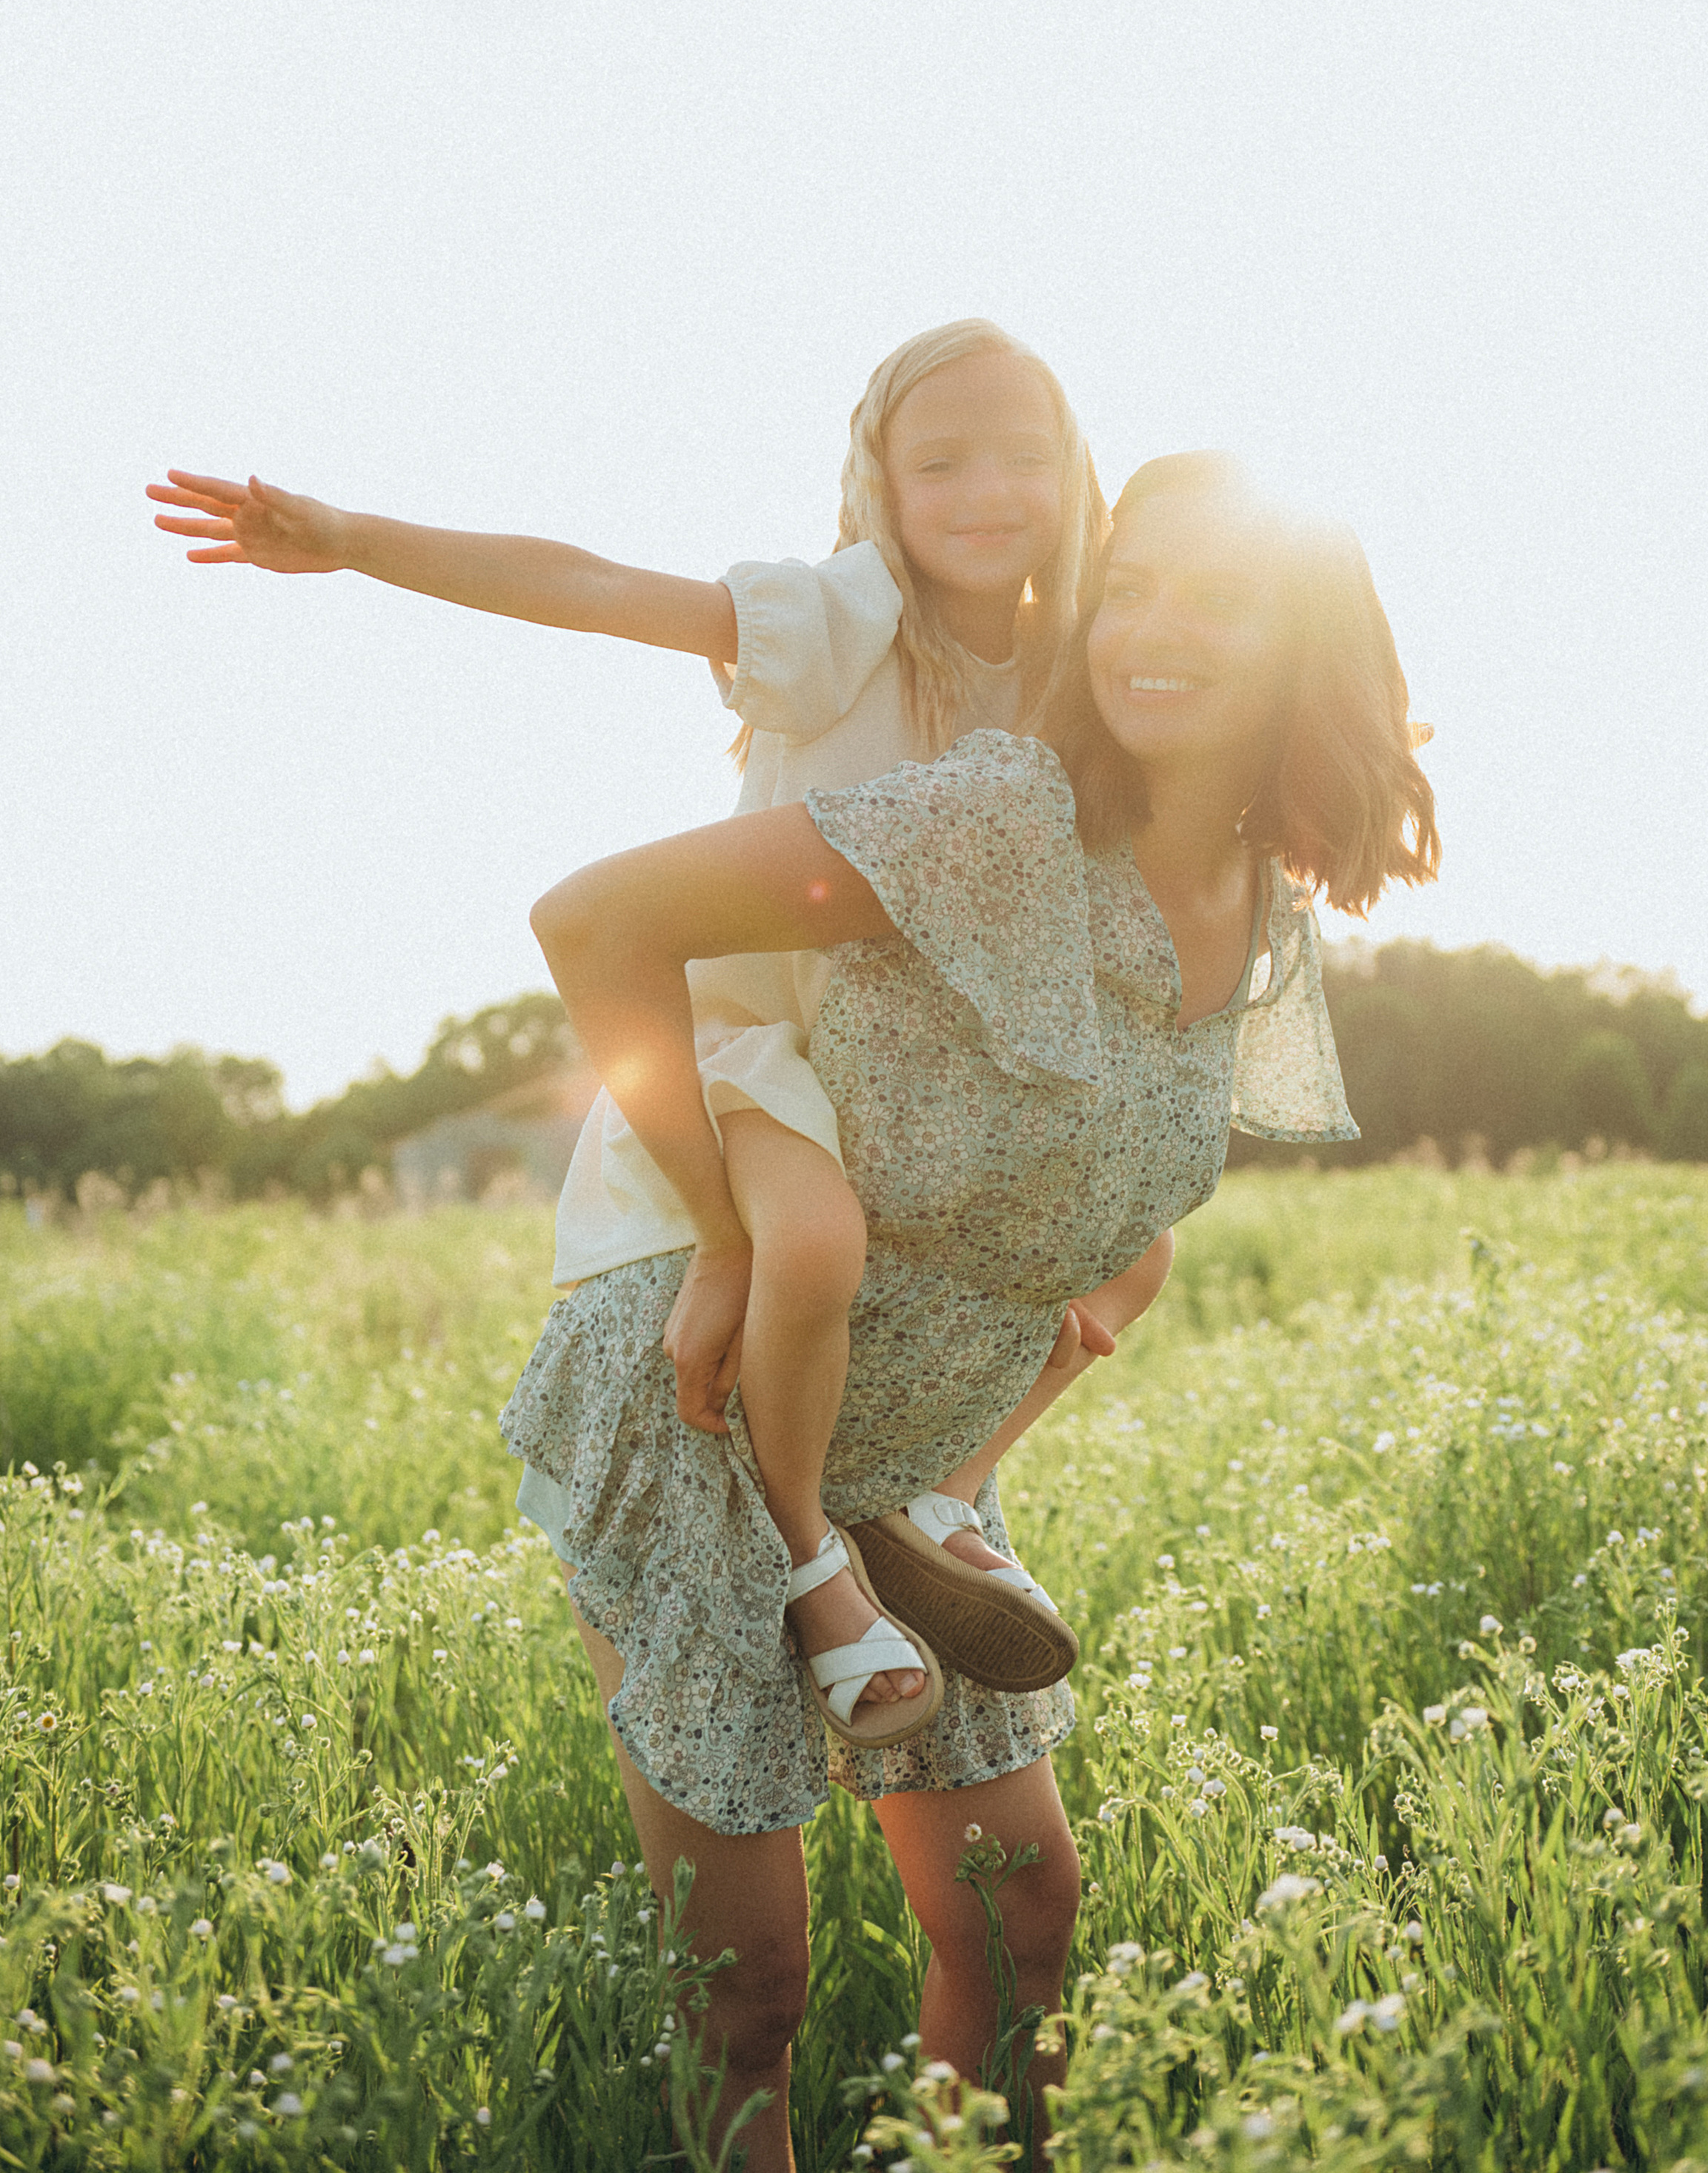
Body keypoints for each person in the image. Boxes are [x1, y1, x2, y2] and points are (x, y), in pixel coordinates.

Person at [512, 451, 1438, 2166]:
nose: (1152, 630)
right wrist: (722, 1221)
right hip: (714, 1411)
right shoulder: (997, 818)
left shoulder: (1257, 919)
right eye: (1134, 585)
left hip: (915, 1461)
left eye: (1218, 599)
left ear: (1306, 645)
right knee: (751, 1983)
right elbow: (600, 920)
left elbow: (1114, 1205)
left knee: (1021, 1929)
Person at [147, 322, 1166, 1728]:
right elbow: (594, 584)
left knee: (1144, 1243)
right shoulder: (839, 618)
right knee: (810, 1245)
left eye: (1025, 456)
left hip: (930, 1085)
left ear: (1076, 470)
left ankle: (938, 1500)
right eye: (943, 462)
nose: (990, 490)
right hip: (771, 1053)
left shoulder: (1077, 667)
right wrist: (351, 536)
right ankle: (812, 1554)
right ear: (878, 482)